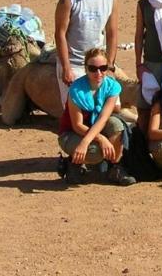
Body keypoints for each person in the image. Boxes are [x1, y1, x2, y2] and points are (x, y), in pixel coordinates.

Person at [57, 47, 136, 186]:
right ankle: (73, 164)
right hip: (73, 132)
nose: (98, 73)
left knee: (117, 125)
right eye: (93, 69)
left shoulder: (112, 87)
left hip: (96, 127)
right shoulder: (76, 90)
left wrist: (99, 138)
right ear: (86, 69)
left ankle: (115, 167)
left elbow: (103, 118)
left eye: (103, 68)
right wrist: (99, 139)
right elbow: (77, 125)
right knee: (95, 152)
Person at [54, 0, 118, 106]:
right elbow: (60, 33)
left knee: (114, 106)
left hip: (98, 64)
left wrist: (109, 65)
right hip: (75, 63)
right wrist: (66, 68)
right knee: (79, 109)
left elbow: (112, 34)